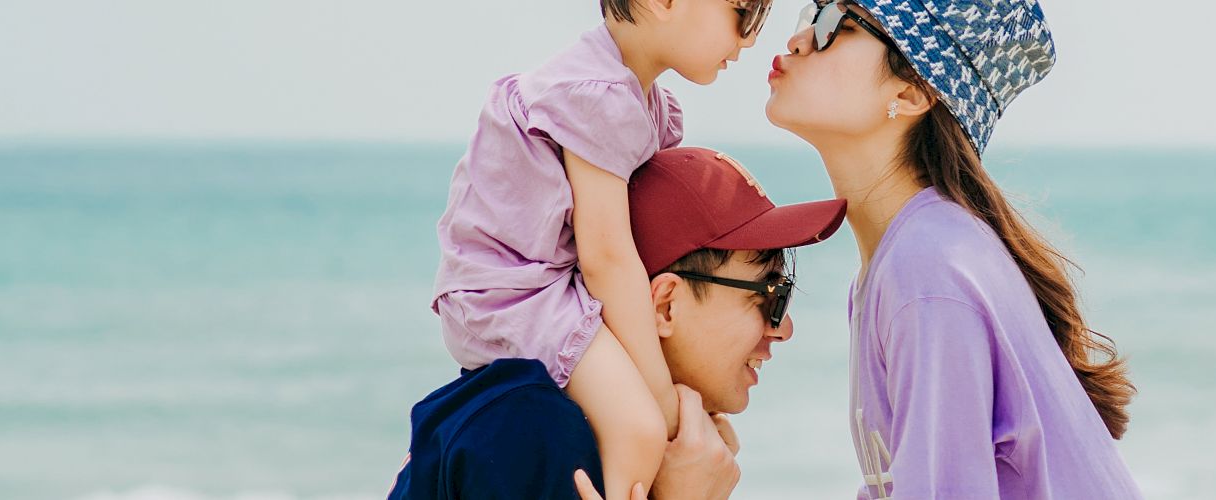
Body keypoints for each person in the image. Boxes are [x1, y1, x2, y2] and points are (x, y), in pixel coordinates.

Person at [764, 1, 1143, 498]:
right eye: (809, 17)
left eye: (840, 26)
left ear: (912, 92)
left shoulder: (928, 270)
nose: (799, 40)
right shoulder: (910, 258)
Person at [428, 0, 776, 495]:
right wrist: (666, 407)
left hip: (542, 284)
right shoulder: (600, 95)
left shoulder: (628, 93)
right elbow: (608, 259)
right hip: (514, 293)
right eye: (744, 14)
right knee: (640, 429)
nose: (750, 39)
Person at [392, 147, 848, 499]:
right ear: (666, 304)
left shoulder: (565, 421)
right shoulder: (532, 430)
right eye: (770, 295)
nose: (783, 328)